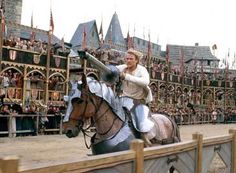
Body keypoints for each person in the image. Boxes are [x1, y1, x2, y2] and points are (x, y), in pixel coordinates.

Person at [116, 48, 154, 146]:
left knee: (140, 123)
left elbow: (146, 82)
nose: (128, 61)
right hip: (123, 100)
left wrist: (127, 77)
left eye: (131, 59)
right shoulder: (122, 67)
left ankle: (145, 141)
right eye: (127, 58)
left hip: (138, 101)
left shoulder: (142, 70)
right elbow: (108, 69)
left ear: (136, 60)